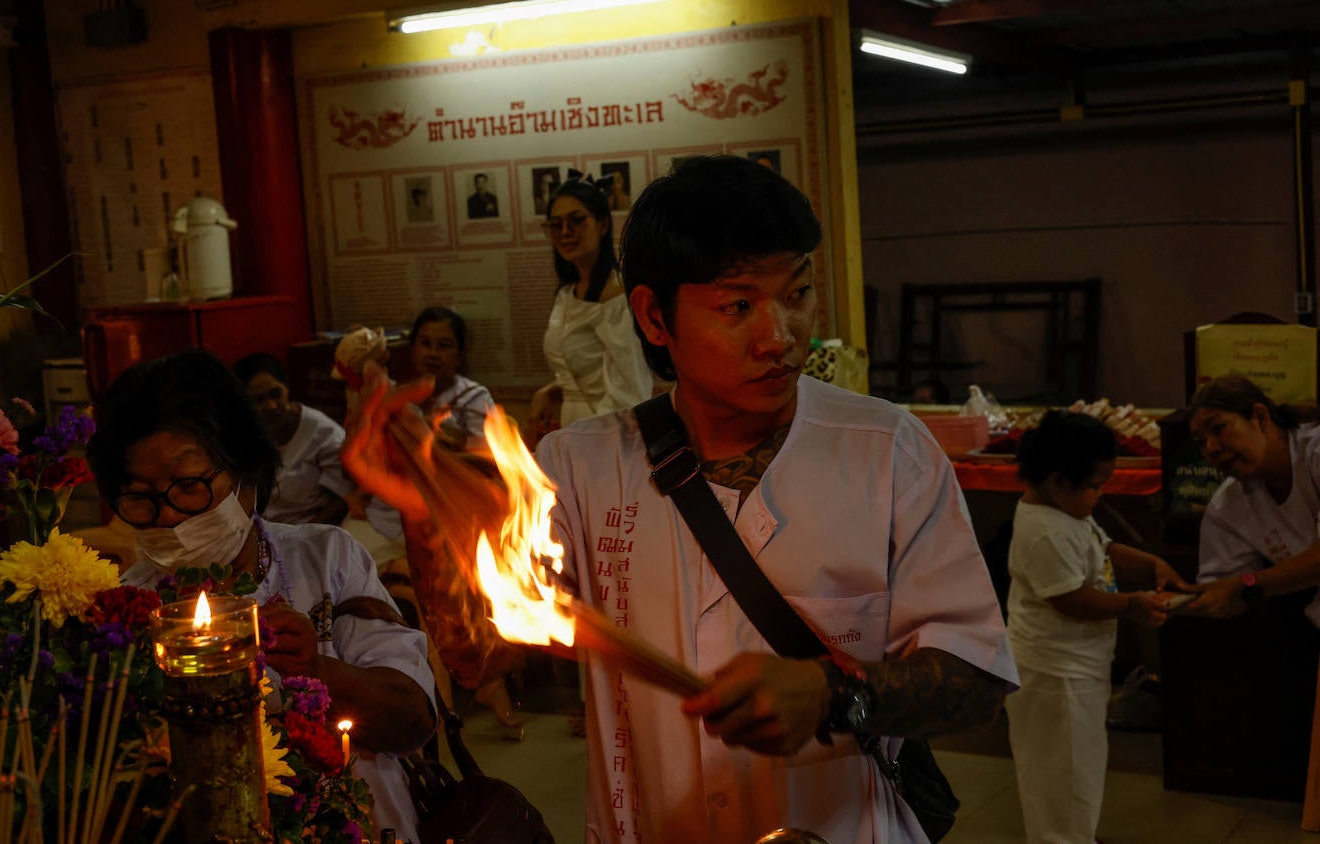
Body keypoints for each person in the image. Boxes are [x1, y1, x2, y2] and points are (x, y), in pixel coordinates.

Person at [374, 155, 1019, 842]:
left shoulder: (888, 451)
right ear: (654, 317)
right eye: (739, 306)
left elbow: (977, 678)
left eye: (797, 293)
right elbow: (481, 657)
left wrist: (840, 694)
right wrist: (422, 493)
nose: (781, 336)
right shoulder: (581, 465)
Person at [86, 349, 436, 840]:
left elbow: (412, 722)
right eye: (140, 496)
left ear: (247, 471)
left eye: (188, 486)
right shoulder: (127, 608)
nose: (167, 516)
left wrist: (316, 670)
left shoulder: (325, 558)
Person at [1003, 409, 1184, 844]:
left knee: (1079, 766)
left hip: (1078, 666)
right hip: (1053, 673)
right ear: (1058, 480)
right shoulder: (1043, 530)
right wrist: (1130, 606)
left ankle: (1074, 833)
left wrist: (1151, 564)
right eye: (1096, 485)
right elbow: (1069, 598)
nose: (1099, 496)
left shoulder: (1068, 513)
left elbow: (1103, 549)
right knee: (1058, 772)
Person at [1182, 375, 1320, 625]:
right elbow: (1224, 592)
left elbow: (1240, 586)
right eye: (1201, 443)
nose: (1212, 448)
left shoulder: (1315, 452)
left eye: (1218, 428)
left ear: (1260, 417)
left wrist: (1246, 584)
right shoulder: (1227, 504)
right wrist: (1174, 601)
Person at [528, 174, 653, 438]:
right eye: (555, 224)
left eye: (576, 220)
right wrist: (551, 390)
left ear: (603, 225)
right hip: (574, 431)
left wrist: (586, 444)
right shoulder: (567, 292)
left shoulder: (617, 298)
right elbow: (587, 370)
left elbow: (631, 393)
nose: (565, 232)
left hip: (608, 436)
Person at [232, 352, 352, 526]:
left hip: (309, 533)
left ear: (287, 387)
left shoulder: (324, 434)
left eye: (275, 394)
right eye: (258, 400)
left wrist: (301, 537)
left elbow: (343, 499)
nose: (271, 406)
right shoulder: (245, 433)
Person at [407, 306, 495, 451]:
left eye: (444, 346)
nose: (433, 353)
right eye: (425, 344)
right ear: (412, 350)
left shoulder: (474, 397)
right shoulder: (402, 397)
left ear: (459, 355)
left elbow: (485, 455)